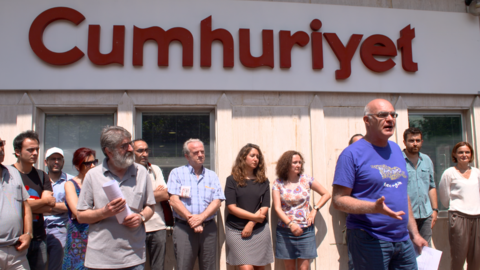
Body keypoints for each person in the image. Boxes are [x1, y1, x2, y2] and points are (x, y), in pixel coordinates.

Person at [332, 99, 427, 270]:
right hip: (369, 239)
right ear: (367, 120)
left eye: (393, 114)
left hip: (403, 240)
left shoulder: (397, 149)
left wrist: (415, 234)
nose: (390, 119)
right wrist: (373, 207)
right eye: (382, 115)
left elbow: (402, 194)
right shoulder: (351, 154)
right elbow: (339, 200)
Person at [76, 126, 155, 270]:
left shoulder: (141, 172)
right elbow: (81, 216)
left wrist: (141, 217)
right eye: (124, 146)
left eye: (130, 144)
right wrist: (104, 212)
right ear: (109, 151)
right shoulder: (93, 176)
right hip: (100, 260)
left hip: (134, 258)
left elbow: (150, 206)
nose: (131, 149)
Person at [167, 138, 225, 270]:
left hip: (208, 229)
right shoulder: (177, 173)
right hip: (184, 228)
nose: (200, 155)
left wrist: (201, 218)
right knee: (184, 266)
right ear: (187, 156)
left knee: (209, 267)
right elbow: (174, 201)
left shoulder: (212, 176)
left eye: (202, 152)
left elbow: (217, 202)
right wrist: (192, 219)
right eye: (196, 152)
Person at [272, 150, 331, 270]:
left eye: (300, 162)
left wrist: (315, 210)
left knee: (304, 268)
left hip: (306, 230)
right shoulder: (278, 183)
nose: (298, 165)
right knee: (289, 268)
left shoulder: (306, 180)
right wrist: (291, 224)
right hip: (285, 230)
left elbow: (326, 194)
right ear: (286, 164)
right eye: (295, 162)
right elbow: (277, 208)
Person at [224, 143, 273, 269]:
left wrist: (251, 223)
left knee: (260, 267)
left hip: (259, 230)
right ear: (243, 157)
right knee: (246, 268)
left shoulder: (263, 181)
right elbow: (232, 207)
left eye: (258, 156)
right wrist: (255, 218)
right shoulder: (231, 180)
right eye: (252, 155)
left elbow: (265, 207)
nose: (256, 159)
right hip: (236, 230)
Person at [12, 131, 56, 270]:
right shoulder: (8, 174)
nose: (35, 153)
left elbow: (49, 207)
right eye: (30, 150)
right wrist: (42, 203)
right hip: (14, 241)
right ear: (17, 152)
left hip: (38, 238)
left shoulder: (41, 175)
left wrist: (21, 203)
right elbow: (8, 205)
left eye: (36, 149)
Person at [439, 142, 480, 270]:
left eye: (467, 152)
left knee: (476, 257)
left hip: (477, 217)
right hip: (459, 217)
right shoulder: (449, 172)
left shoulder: (477, 172)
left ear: (471, 155)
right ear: (455, 155)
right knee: (458, 257)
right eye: (461, 152)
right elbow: (444, 197)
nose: (464, 155)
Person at [133, 139, 169, 270]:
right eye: (140, 151)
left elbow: (165, 194)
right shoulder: (127, 172)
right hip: (135, 226)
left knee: (158, 266)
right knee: (136, 266)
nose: (144, 154)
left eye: (146, 150)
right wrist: (155, 194)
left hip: (157, 225)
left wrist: (139, 196)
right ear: (132, 152)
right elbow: (127, 197)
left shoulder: (155, 169)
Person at [0, 137, 33, 270]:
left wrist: (28, 234)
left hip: (17, 250)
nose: (1, 149)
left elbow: (26, 207)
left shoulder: (13, 172)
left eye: (1, 144)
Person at [62, 147, 97, 270]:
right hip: (79, 235)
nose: (92, 166)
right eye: (87, 163)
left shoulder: (98, 182)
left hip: (97, 233)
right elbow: (78, 212)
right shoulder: (70, 184)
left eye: (94, 162)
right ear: (78, 166)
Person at [402, 127, 437, 247]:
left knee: (426, 251)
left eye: (417, 140)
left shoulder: (426, 160)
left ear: (422, 142)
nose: (415, 143)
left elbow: (432, 186)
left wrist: (435, 210)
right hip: (405, 215)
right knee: (407, 251)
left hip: (425, 215)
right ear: (404, 142)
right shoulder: (398, 160)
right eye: (411, 140)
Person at [43, 147, 74, 270]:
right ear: (46, 162)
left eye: (59, 159)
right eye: (52, 159)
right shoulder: (40, 179)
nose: (56, 162)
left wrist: (47, 205)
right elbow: (33, 206)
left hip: (60, 229)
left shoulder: (70, 181)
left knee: (56, 267)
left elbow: (71, 206)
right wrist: (59, 206)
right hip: (40, 229)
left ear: (63, 162)